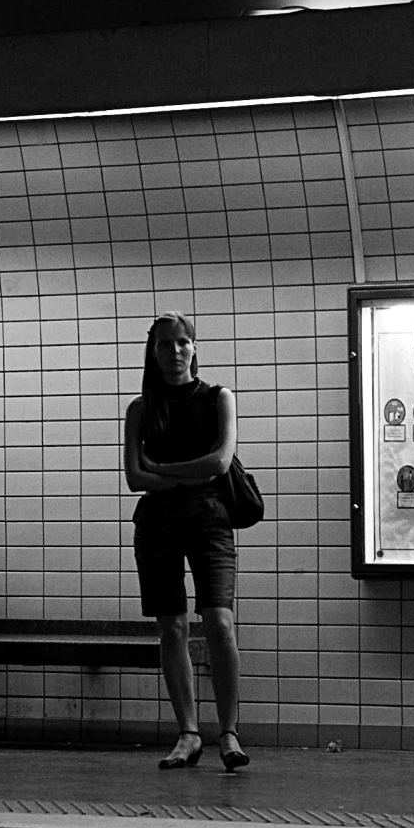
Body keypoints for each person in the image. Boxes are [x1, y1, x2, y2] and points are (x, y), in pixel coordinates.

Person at [123, 311, 249, 770]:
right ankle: (189, 733)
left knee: (219, 621)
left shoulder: (219, 398)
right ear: (152, 353)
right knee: (171, 627)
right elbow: (135, 477)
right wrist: (176, 475)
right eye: (164, 344)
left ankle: (229, 733)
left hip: (211, 521)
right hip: (156, 525)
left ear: (194, 348)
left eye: (182, 342)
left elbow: (218, 463)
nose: (174, 351)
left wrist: (164, 471)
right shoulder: (141, 408)